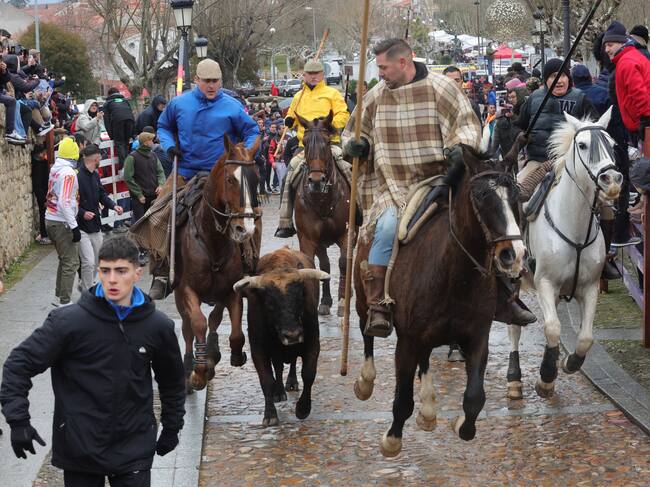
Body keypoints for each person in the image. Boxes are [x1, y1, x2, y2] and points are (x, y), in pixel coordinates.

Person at [342, 38, 533, 337]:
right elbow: (353, 131)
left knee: (483, 219)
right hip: (394, 185)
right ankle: (378, 302)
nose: (379, 73)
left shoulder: (441, 87)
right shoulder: (375, 96)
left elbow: (467, 124)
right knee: (388, 227)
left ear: (402, 62)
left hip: (443, 178)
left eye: (383, 67)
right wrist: (354, 145)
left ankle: (504, 295)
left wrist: (461, 146)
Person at [0, 235, 185, 487]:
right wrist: (18, 420)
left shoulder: (158, 327)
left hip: (133, 448)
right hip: (80, 448)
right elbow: (18, 364)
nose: (112, 279)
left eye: (121, 271)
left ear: (137, 273)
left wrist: (172, 426)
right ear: (98, 271)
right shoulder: (67, 323)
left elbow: (172, 381)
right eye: (105, 271)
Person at [141, 58, 259, 298]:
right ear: (196, 80)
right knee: (156, 214)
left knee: (250, 212)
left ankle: (250, 265)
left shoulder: (232, 106)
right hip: (186, 171)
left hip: (224, 175)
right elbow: (163, 127)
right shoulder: (179, 104)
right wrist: (169, 145)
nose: (211, 86)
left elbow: (252, 130)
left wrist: (242, 155)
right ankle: (161, 272)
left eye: (215, 81)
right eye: (207, 81)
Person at [275, 60, 351, 237]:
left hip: (329, 144)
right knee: (289, 175)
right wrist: (289, 121)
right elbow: (293, 117)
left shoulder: (332, 93)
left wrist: (329, 125)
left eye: (317, 73)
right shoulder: (298, 96)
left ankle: (359, 210)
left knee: (349, 170)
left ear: (322, 75)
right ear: (305, 75)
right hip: (305, 147)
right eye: (310, 73)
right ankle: (285, 222)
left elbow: (343, 114)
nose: (314, 76)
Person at [516, 58, 597, 201]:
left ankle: (606, 224)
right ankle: (520, 224)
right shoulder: (534, 98)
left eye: (563, 76)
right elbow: (519, 125)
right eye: (554, 76)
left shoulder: (580, 98)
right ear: (546, 80)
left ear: (568, 78)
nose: (559, 81)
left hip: (572, 163)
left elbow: (594, 128)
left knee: (603, 199)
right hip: (538, 161)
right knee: (517, 190)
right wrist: (521, 136)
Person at [77, 144, 124, 291]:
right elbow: (70, 201)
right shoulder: (77, 176)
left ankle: (84, 283)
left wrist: (113, 205)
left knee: (97, 260)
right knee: (88, 262)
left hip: (96, 224)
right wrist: (82, 212)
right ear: (96, 158)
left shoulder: (96, 175)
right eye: (100, 157)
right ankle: (87, 290)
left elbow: (102, 194)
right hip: (81, 225)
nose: (100, 160)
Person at [45, 137, 82, 307]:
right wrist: (74, 227)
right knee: (71, 262)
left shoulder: (55, 169)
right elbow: (64, 201)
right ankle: (65, 301)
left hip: (50, 218)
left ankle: (58, 296)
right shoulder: (68, 173)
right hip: (62, 221)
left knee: (63, 259)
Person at [602, 21, 650, 142]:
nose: (606, 49)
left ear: (621, 43)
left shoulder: (626, 62)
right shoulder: (631, 57)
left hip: (642, 127)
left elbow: (639, 93)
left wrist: (646, 122)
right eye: (605, 46)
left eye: (610, 45)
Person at [124, 131, 165, 224]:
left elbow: (160, 172)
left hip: (154, 196)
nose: (153, 142)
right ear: (146, 142)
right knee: (140, 224)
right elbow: (128, 178)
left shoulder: (153, 155)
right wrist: (138, 194)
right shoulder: (132, 157)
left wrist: (161, 185)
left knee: (153, 223)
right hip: (140, 198)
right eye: (151, 140)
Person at [104, 87, 135, 166]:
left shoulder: (107, 103)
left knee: (120, 144)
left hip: (118, 122)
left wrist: (112, 136)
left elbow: (107, 121)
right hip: (130, 121)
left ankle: (124, 169)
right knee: (127, 143)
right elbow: (131, 114)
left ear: (109, 94)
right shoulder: (125, 101)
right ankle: (131, 166)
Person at [31, 144, 51, 245]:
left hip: (44, 193)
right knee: (43, 214)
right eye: (44, 153)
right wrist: (43, 199)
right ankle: (44, 235)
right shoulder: (38, 166)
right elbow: (37, 185)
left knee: (44, 214)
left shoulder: (41, 163)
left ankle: (45, 234)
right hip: (42, 195)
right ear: (39, 153)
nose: (45, 154)